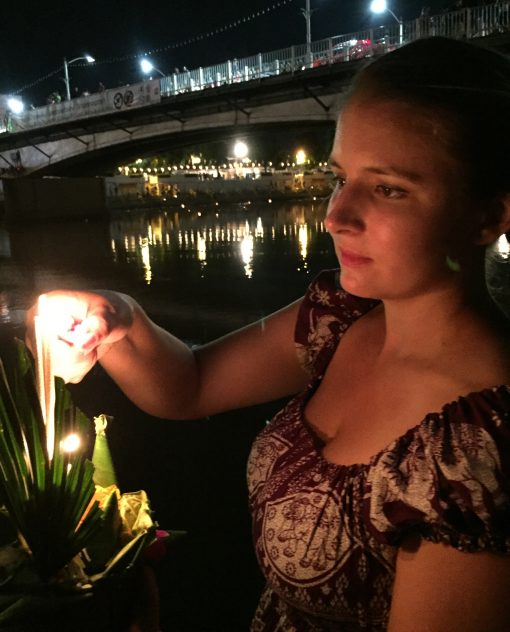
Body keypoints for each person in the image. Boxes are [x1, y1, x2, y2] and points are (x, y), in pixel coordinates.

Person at [26, 37, 510, 631]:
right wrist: (118, 315)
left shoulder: (477, 452)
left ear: (489, 215)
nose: (335, 215)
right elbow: (191, 384)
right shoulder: (343, 318)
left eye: (388, 188)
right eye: (340, 178)